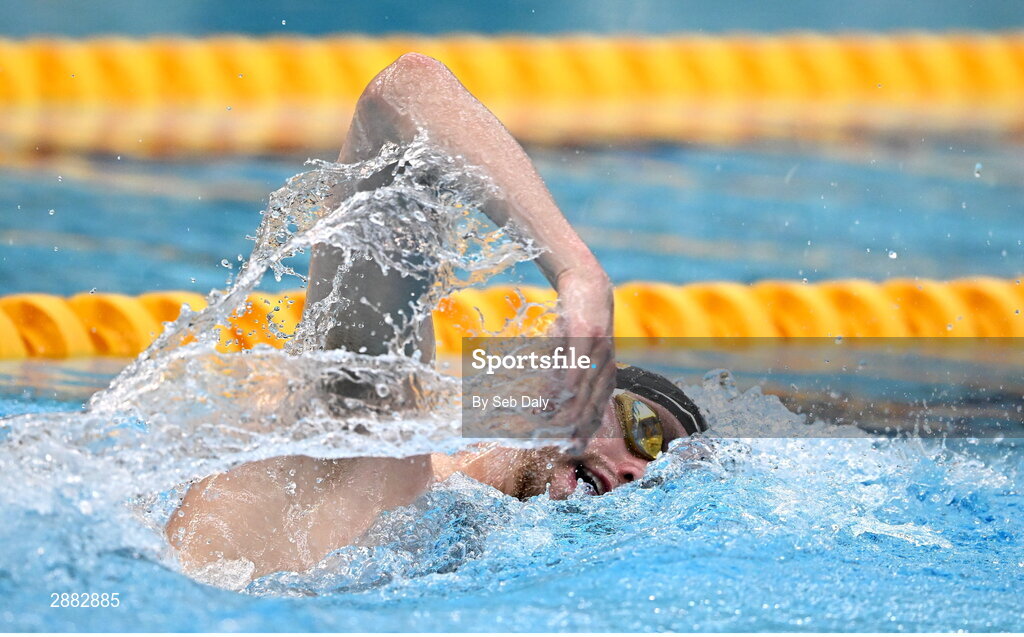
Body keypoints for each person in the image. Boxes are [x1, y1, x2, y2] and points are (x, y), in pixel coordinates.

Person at [167, 53, 706, 581]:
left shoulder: (470, 557)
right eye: (646, 431)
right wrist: (580, 277)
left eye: (658, 481)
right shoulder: (364, 433)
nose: (639, 472)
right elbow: (401, 99)